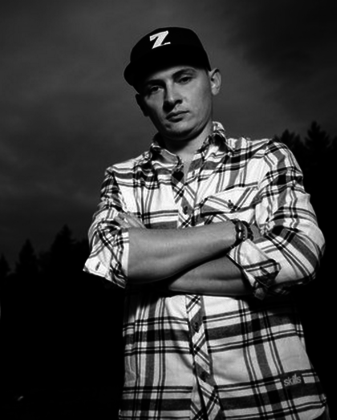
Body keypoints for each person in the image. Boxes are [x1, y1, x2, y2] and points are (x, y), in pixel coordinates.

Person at [84, 27, 329, 419]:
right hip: (160, 407)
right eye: (154, 88)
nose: (171, 98)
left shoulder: (267, 159)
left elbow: (298, 256)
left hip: (272, 401)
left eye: (184, 78)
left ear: (213, 81)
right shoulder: (121, 178)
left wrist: (149, 262)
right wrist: (233, 232)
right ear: (141, 103)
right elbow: (111, 259)